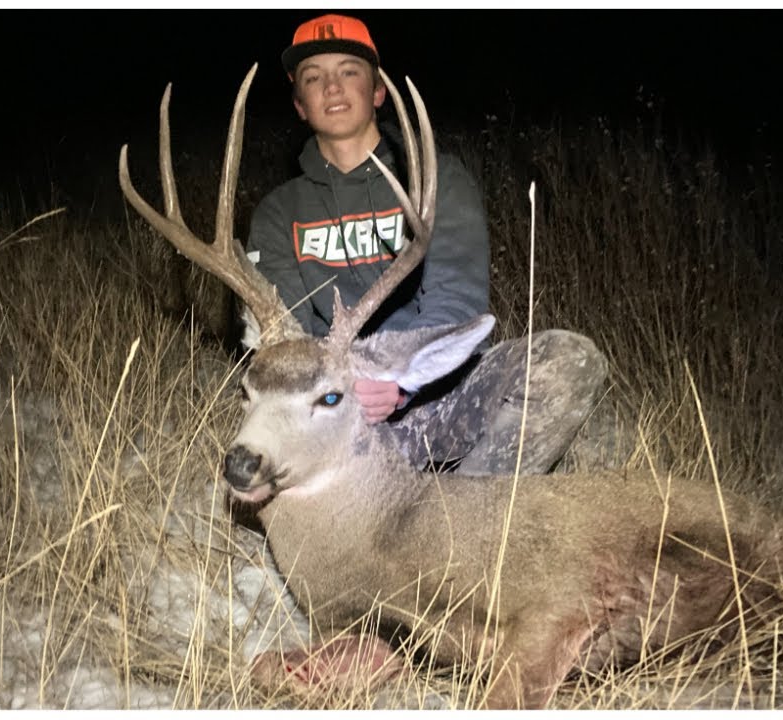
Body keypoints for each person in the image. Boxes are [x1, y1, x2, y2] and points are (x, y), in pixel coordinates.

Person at [244, 13, 608, 476]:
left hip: (433, 388)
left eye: (349, 72)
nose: (332, 87)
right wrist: (341, 389)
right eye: (314, 78)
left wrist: (399, 383)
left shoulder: (438, 178)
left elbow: (456, 297)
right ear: (300, 104)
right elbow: (285, 334)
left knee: (569, 361)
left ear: (378, 92)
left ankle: (469, 509)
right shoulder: (278, 212)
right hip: (337, 411)